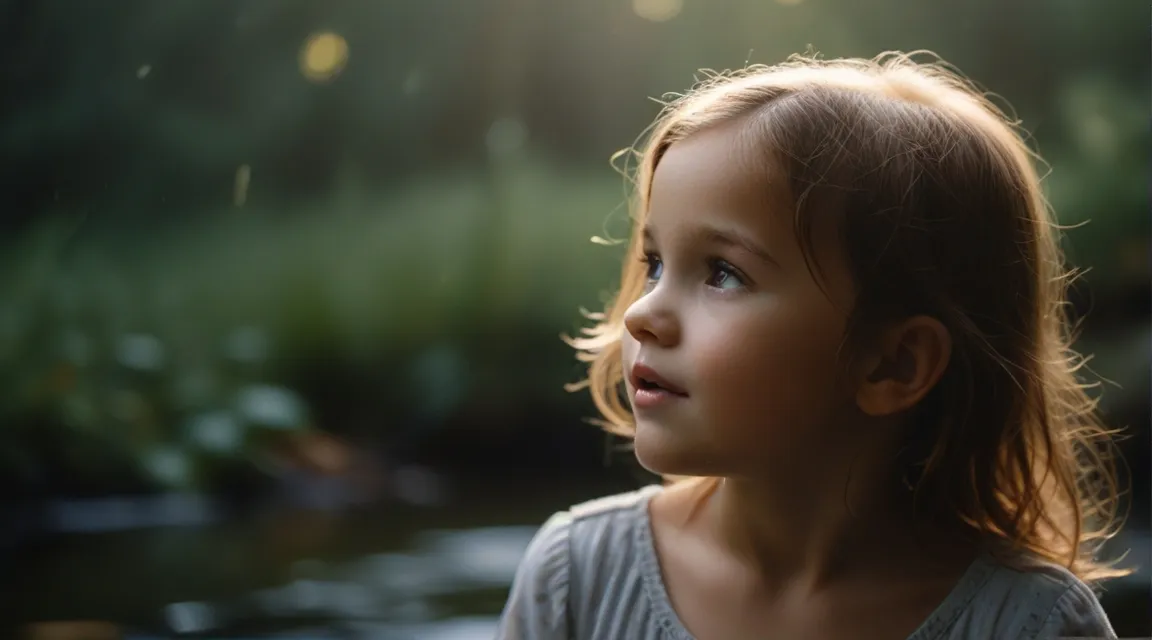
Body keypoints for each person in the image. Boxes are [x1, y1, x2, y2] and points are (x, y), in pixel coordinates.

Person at [496, 51, 1130, 640]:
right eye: (655, 263)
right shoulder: (574, 578)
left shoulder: (1033, 625)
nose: (640, 313)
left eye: (723, 273)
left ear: (893, 364)